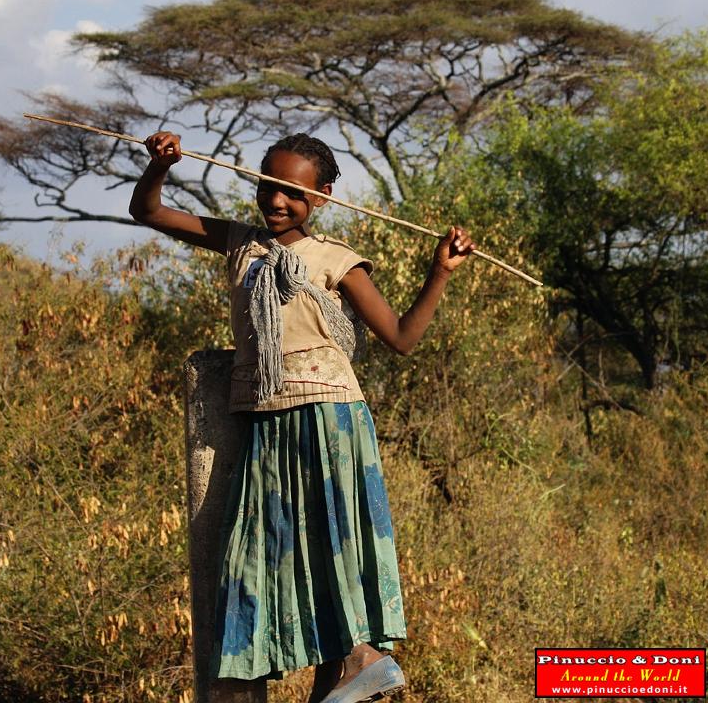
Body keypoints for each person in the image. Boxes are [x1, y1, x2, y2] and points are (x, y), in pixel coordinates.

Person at [129, 130, 476, 703]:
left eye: (291, 190)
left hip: (329, 419)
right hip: (266, 421)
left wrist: (439, 272)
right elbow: (149, 211)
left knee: (329, 540)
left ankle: (365, 657)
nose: (275, 201)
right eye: (267, 186)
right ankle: (334, 674)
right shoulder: (241, 243)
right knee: (268, 552)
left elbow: (402, 337)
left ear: (324, 195)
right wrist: (159, 165)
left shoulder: (336, 260)